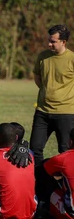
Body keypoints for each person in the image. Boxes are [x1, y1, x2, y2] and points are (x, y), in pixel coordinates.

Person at [30, 25, 74, 165]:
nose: (49, 44)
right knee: (35, 148)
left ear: (63, 42)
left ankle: (65, 183)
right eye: (49, 40)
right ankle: (39, 180)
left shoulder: (72, 58)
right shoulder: (43, 56)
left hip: (66, 113)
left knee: (65, 150)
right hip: (42, 112)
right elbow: (37, 77)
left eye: (53, 41)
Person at [42, 128, 74, 218]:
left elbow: (45, 168)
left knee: (53, 192)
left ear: (70, 141)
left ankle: (45, 208)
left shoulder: (63, 159)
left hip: (71, 213)